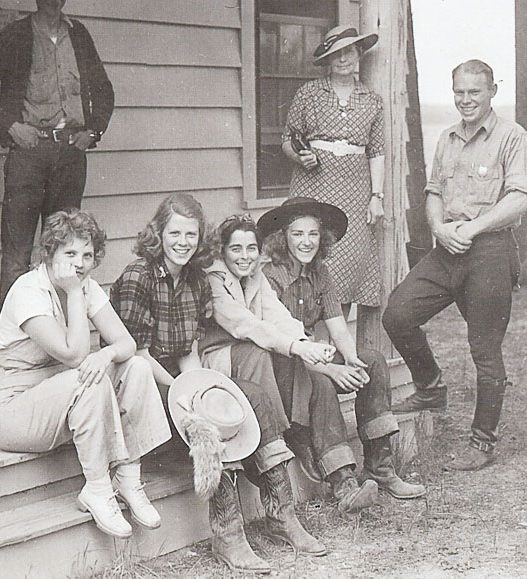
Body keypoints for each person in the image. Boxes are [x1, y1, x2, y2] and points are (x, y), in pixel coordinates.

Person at [109, 194, 324, 573]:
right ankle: (228, 534)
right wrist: (186, 396)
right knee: (206, 417)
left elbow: (187, 352)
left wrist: (196, 387)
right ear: (158, 233)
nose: (183, 242)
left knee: (250, 395)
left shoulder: (193, 280)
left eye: (191, 234)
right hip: (138, 391)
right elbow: (137, 356)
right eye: (175, 233)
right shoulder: (137, 277)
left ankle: (282, 514)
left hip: (173, 379)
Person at [382, 60, 527, 471]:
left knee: (484, 350)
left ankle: (482, 442)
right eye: (460, 93)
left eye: (475, 92)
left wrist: (475, 227)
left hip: (490, 251)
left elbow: (521, 197)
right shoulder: (448, 138)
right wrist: (438, 227)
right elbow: (433, 190)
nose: (466, 100)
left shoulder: (512, 138)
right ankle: (431, 386)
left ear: (492, 92)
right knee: (397, 314)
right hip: (448, 247)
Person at [0, 209, 170, 539]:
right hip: (14, 410)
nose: (80, 263)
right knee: (87, 376)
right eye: (69, 253)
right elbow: (73, 355)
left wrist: (108, 355)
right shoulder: (29, 290)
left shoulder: (87, 287)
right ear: (50, 253)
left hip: (63, 395)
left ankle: (127, 477)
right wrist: (73, 294)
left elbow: (127, 342)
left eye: (87, 254)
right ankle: (97, 489)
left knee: (137, 367)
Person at [0, 0, 114, 308]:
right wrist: (11, 126)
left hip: (69, 156)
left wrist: (93, 133)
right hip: (29, 157)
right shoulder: (15, 35)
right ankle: (13, 348)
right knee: (17, 255)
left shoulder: (79, 35)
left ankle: (62, 340)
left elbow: (104, 90)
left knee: (67, 253)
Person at [204, 215, 379, 513]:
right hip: (219, 360)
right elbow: (244, 325)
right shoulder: (214, 280)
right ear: (223, 251)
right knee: (275, 354)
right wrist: (297, 347)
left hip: (255, 353)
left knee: (295, 360)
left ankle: (343, 480)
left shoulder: (255, 277)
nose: (244, 256)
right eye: (236, 249)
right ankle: (285, 438)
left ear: (260, 251)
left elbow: (279, 317)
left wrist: (304, 345)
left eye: (251, 249)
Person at [259, 197, 425, 500]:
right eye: (298, 234)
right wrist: (332, 368)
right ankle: (343, 482)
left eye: (313, 234)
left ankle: (380, 466)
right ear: (283, 237)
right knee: (321, 381)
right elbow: (284, 347)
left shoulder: (321, 274)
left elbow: (338, 327)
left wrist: (351, 360)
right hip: (282, 369)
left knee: (371, 360)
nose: (306, 242)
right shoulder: (270, 277)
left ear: (322, 239)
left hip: (314, 358)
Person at [282, 25, 384, 310]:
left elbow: (376, 151)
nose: (342, 59)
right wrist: (301, 156)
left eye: (348, 52)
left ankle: (338, 346)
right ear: (327, 59)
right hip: (313, 186)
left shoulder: (372, 100)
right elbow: (288, 140)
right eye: (335, 54)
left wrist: (377, 197)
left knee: (348, 262)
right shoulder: (309, 93)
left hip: (355, 191)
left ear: (359, 54)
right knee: (310, 255)